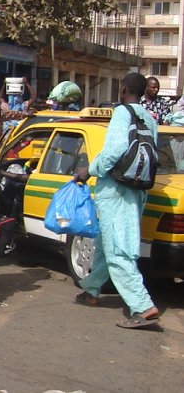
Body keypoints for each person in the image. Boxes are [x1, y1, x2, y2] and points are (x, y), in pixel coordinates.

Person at [74, 72, 161, 329]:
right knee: (106, 241)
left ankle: (142, 306)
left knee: (119, 250)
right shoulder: (150, 118)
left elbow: (114, 151)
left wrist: (89, 169)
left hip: (115, 190)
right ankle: (91, 290)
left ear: (123, 89)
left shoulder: (122, 113)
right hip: (137, 189)